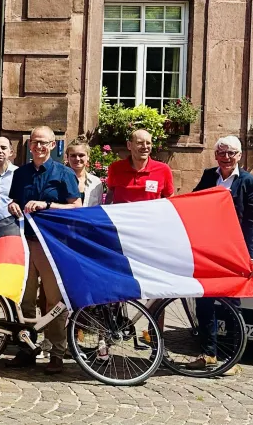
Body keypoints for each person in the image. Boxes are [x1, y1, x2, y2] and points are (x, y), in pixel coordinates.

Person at [6, 126, 81, 374]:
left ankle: (57, 353)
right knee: (25, 300)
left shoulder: (63, 173)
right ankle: (27, 349)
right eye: (35, 142)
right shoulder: (21, 174)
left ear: (52, 146)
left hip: (52, 245)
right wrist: (13, 206)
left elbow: (76, 207)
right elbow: (13, 201)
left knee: (53, 301)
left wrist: (48, 204)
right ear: (29, 145)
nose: (39, 146)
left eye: (44, 143)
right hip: (25, 242)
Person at [188, 135, 253, 375]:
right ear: (216, 155)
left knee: (231, 304)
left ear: (239, 156)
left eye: (231, 153)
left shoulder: (247, 181)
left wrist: (249, 254)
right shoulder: (209, 176)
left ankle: (231, 358)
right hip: (208, 248)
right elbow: (193, 203)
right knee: (204, 301)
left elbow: (250, 221)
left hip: (233, 251)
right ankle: (208, 353)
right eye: (222, 153)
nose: (226, 157)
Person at [106, 129, 175, 204]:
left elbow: (170, 200)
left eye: (148, 143)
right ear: (129, 145)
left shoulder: (163, 169)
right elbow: (110, 195)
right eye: (140, 143)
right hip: (121, 215)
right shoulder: (116, 168)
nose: (145, 146)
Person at [64, 136, 103, 207]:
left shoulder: (96, 182)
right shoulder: (60, 179)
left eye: (81, 155)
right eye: (73, 155)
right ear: (67, 157)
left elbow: (98, 207)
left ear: (88, 156)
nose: (77, 159)